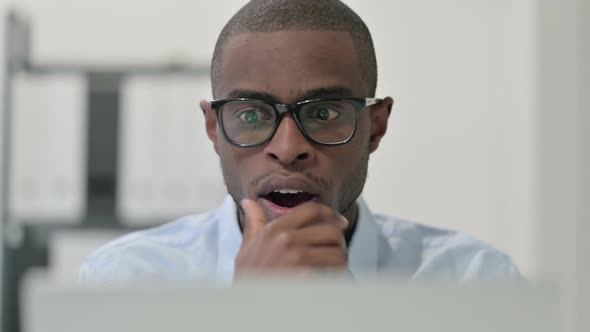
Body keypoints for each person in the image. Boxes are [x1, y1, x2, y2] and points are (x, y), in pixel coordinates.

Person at [80, 0, 521, 284]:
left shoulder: (473, 281)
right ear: (214, 130)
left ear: (376, 126)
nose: (288, 148)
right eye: (252, 114)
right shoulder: (124, 280)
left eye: (324, 113)